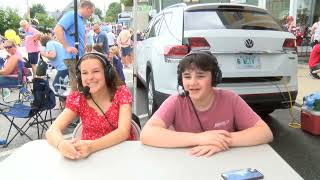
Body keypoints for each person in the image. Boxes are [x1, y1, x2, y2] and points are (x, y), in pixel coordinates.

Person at [140, 51, 273, 157]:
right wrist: (200, 139)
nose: (192, 82)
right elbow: (147, 134)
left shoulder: (230, 99)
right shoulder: (175, 102)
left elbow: (265, 132)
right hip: (188, 163)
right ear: (181, 81)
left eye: (200, 76)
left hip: (225, 161)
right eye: (187, 77)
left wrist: (221, 140)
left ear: (214, 78)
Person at [46, 52, 134, 160]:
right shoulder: (79, 99)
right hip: (90, 158)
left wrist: (91, 146)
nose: (90, 77)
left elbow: (123, 132)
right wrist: (61, 144)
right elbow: (52, 130)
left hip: (122, 153)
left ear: (107, 73)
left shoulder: (121, 92)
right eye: (84, 73)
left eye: (96, 71)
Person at [54, 0, 95, 91]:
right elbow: (57, 29)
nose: (91, 15)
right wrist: (66, 47)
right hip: (71, 56)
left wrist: (83, 44)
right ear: (87, 9)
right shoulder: (72, 15)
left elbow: (82, 34)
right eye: (91, 12)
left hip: (77, 55)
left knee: (79, 81)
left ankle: (78, 101)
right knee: (77, 82)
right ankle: (76, 102)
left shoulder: (80, 19)